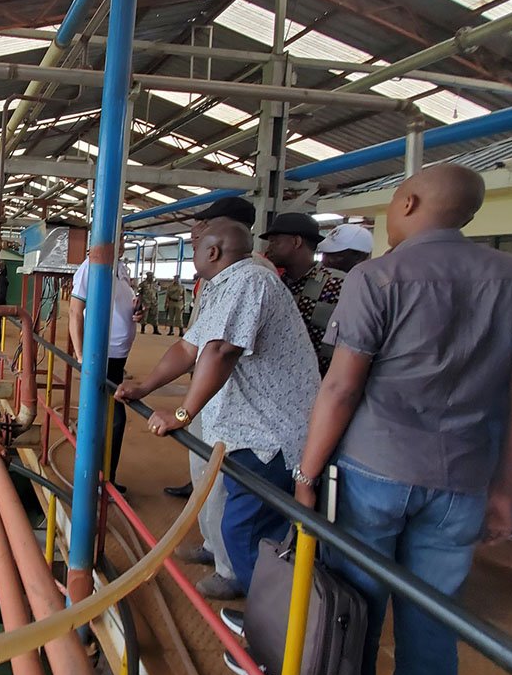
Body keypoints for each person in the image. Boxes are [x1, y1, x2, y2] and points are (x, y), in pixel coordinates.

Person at [292, 164, 512, 675]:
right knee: (434, 622)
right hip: (463, 480)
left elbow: (341, 386)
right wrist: (505, 495)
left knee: (351, 613)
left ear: (407, 203)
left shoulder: (378, 278)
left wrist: (307, 477)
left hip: (371, 473)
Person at [116, 220, 319, 597]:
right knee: (242, 523)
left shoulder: (250, 282)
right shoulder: (223, 285)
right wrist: (145, 386)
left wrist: (181, 414)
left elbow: (221, 350)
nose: (192, 253)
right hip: (246, 428)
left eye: (194, 247)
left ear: (212, 252)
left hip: (270, 434)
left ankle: (276, 623)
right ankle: (268, 604)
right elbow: (189, 347)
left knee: (247, 531)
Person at [69, 249, 138, 494]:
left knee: (109, 417)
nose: (121, 242)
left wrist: (136, 313)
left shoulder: (121, 268)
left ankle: (105, 477)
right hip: (102, 354)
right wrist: (81, 355)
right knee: (112, 418)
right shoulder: (92, 266)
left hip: (118, 356)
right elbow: (75, 312)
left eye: (123, 237)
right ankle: (99, 479)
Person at [260, 212, 345, 374]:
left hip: (322, 381)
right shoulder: (274, 284)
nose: (268, 249)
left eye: (274, 242)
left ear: (296, 242)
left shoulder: (337, 284)